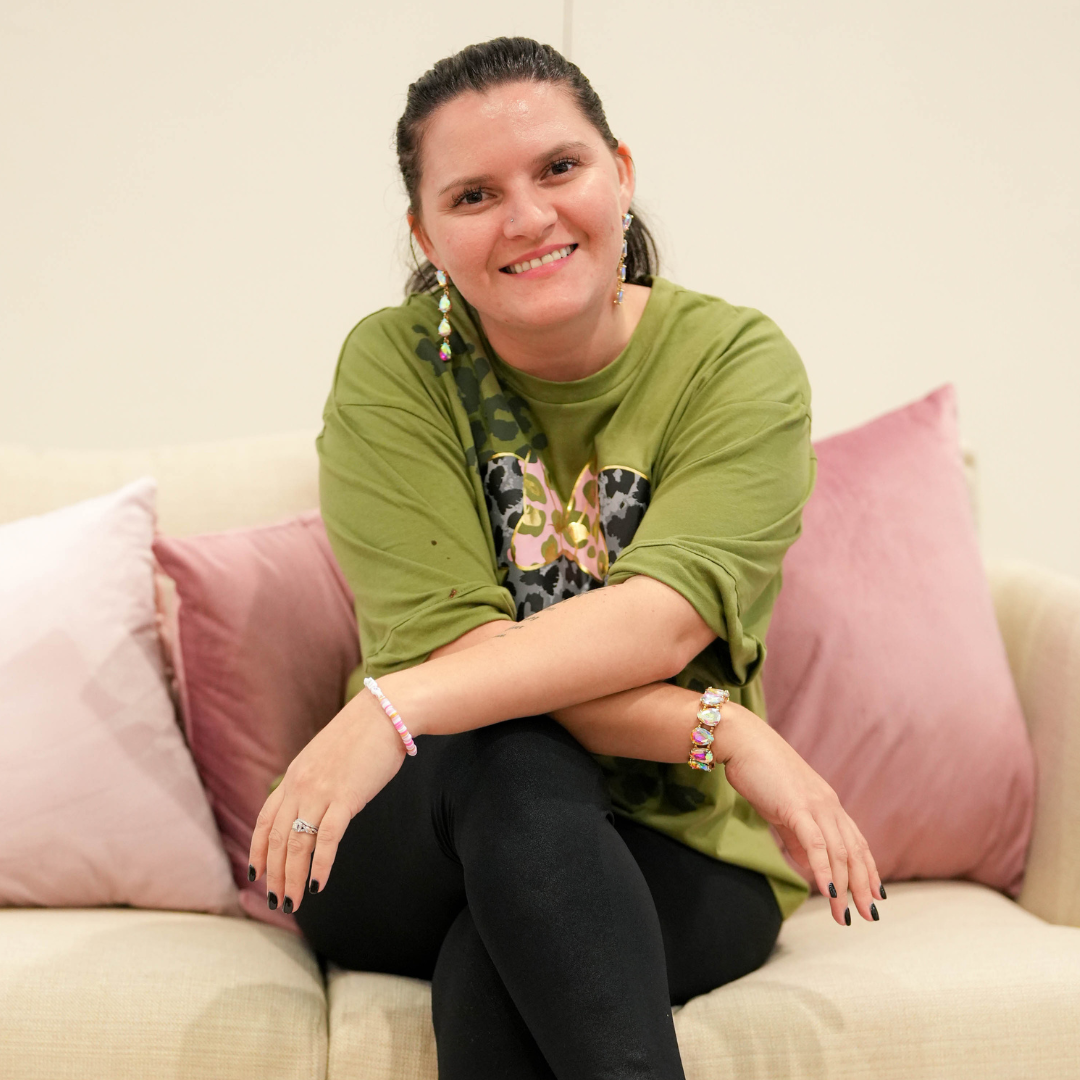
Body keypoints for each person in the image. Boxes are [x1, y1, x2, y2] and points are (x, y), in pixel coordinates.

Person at [247, 37, 884, 1080]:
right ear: (425, 234)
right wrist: (724, 730)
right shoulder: (399, 366)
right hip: (418, 827)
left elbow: (660, 622)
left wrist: (390, 705)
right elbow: (468, 666)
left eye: (558, 168)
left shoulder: (733, 364)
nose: (528, 217)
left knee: (500, 968)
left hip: (677, 842)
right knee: (510, 753)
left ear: (620, 174)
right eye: (474, 195)